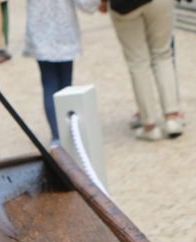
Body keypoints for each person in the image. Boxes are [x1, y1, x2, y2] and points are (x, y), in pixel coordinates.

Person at [100, 0, 184, 140]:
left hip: (124, 6)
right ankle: (171, 119)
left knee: (138, 63)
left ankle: (149, 125)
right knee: (163, 55)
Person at [24, 0, 98, 141]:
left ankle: (57, 136)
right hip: (64, 31)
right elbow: (86, 4)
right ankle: (67, 133)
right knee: (65, 85)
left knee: (49, 83)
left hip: (39, 30)